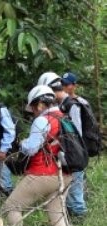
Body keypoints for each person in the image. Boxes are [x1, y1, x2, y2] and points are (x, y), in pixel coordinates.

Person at [4, 85, 72, 226]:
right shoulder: (64, 117)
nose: (33, 111)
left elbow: (32, 148)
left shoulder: (43, 119)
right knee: (57, 214)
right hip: (65, 174)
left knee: (11, 206)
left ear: (41, 104)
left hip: (43, 174)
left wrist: (22, 143)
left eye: (33, 107)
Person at [37, 72, 86, 217]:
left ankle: (80, 225)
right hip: (65, 154)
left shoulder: (72, 106)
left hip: (74, 154)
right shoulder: (61, 105)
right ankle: (71, 224)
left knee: (75, 195)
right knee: (67, 192)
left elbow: (76, 136)